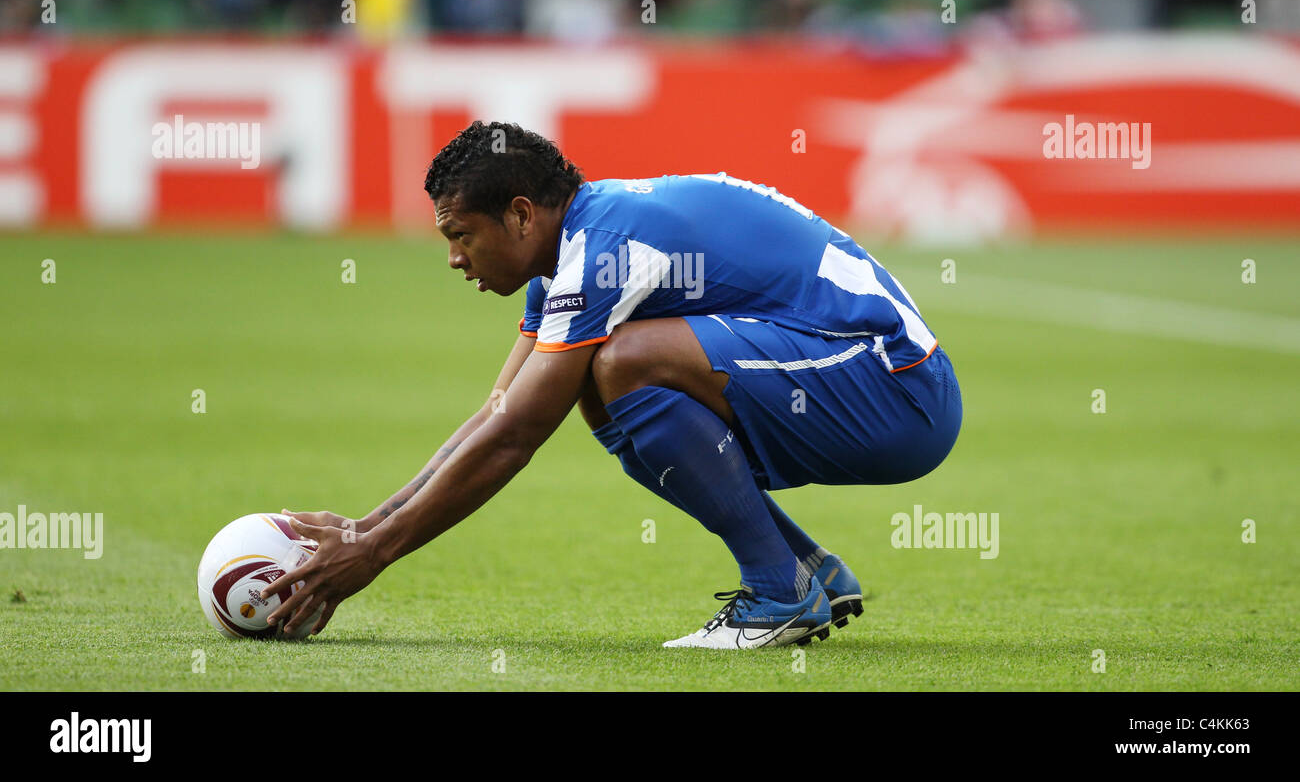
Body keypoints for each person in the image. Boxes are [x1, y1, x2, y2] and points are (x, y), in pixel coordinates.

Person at [260, 121, 962, 649]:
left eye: (460, 234)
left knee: (621, 363)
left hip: (897, 388)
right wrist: (364, 525)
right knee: (595, 377)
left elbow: (516, 438)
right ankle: (802, 569)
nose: (451, 257)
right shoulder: (573, 254)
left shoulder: (606, 246)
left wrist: (375, 554)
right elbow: (497, 413)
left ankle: (779, 594)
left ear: (522, 214)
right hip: (856, 376)